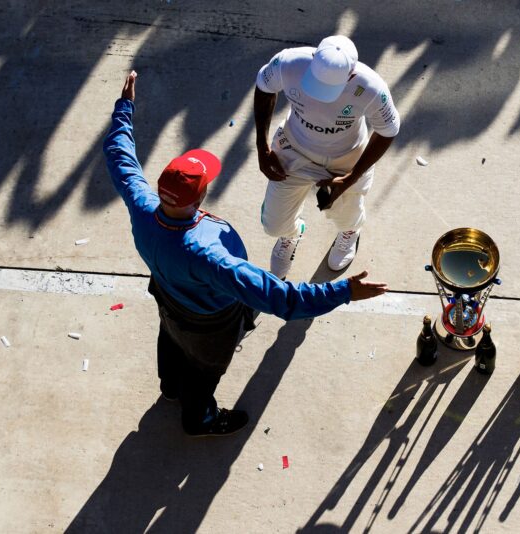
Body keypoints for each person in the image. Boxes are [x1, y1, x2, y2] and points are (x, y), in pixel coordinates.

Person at [104, 71, 388, 437]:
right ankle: (199, 418)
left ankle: (170, 388)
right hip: (210, 325)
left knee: (171, 341)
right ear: (199, 198)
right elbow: (284, 299)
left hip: (166, 296)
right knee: (203, 370)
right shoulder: (210, 258)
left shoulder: (144, 207)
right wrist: (344, 291)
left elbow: (119, 155)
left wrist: (124, 107)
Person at [254, 35, 401, 279]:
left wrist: (351, 177)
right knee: (273, 225)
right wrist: (262, 146)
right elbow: (264, 87)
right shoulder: (287, 63)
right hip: (293, 149)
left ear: (352, 75)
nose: (321, 95)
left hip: (346, 160)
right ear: (313, 59)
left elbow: (388, 131)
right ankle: (291, 234)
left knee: (346, 219)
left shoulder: (372, 88)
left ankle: (349, 233)